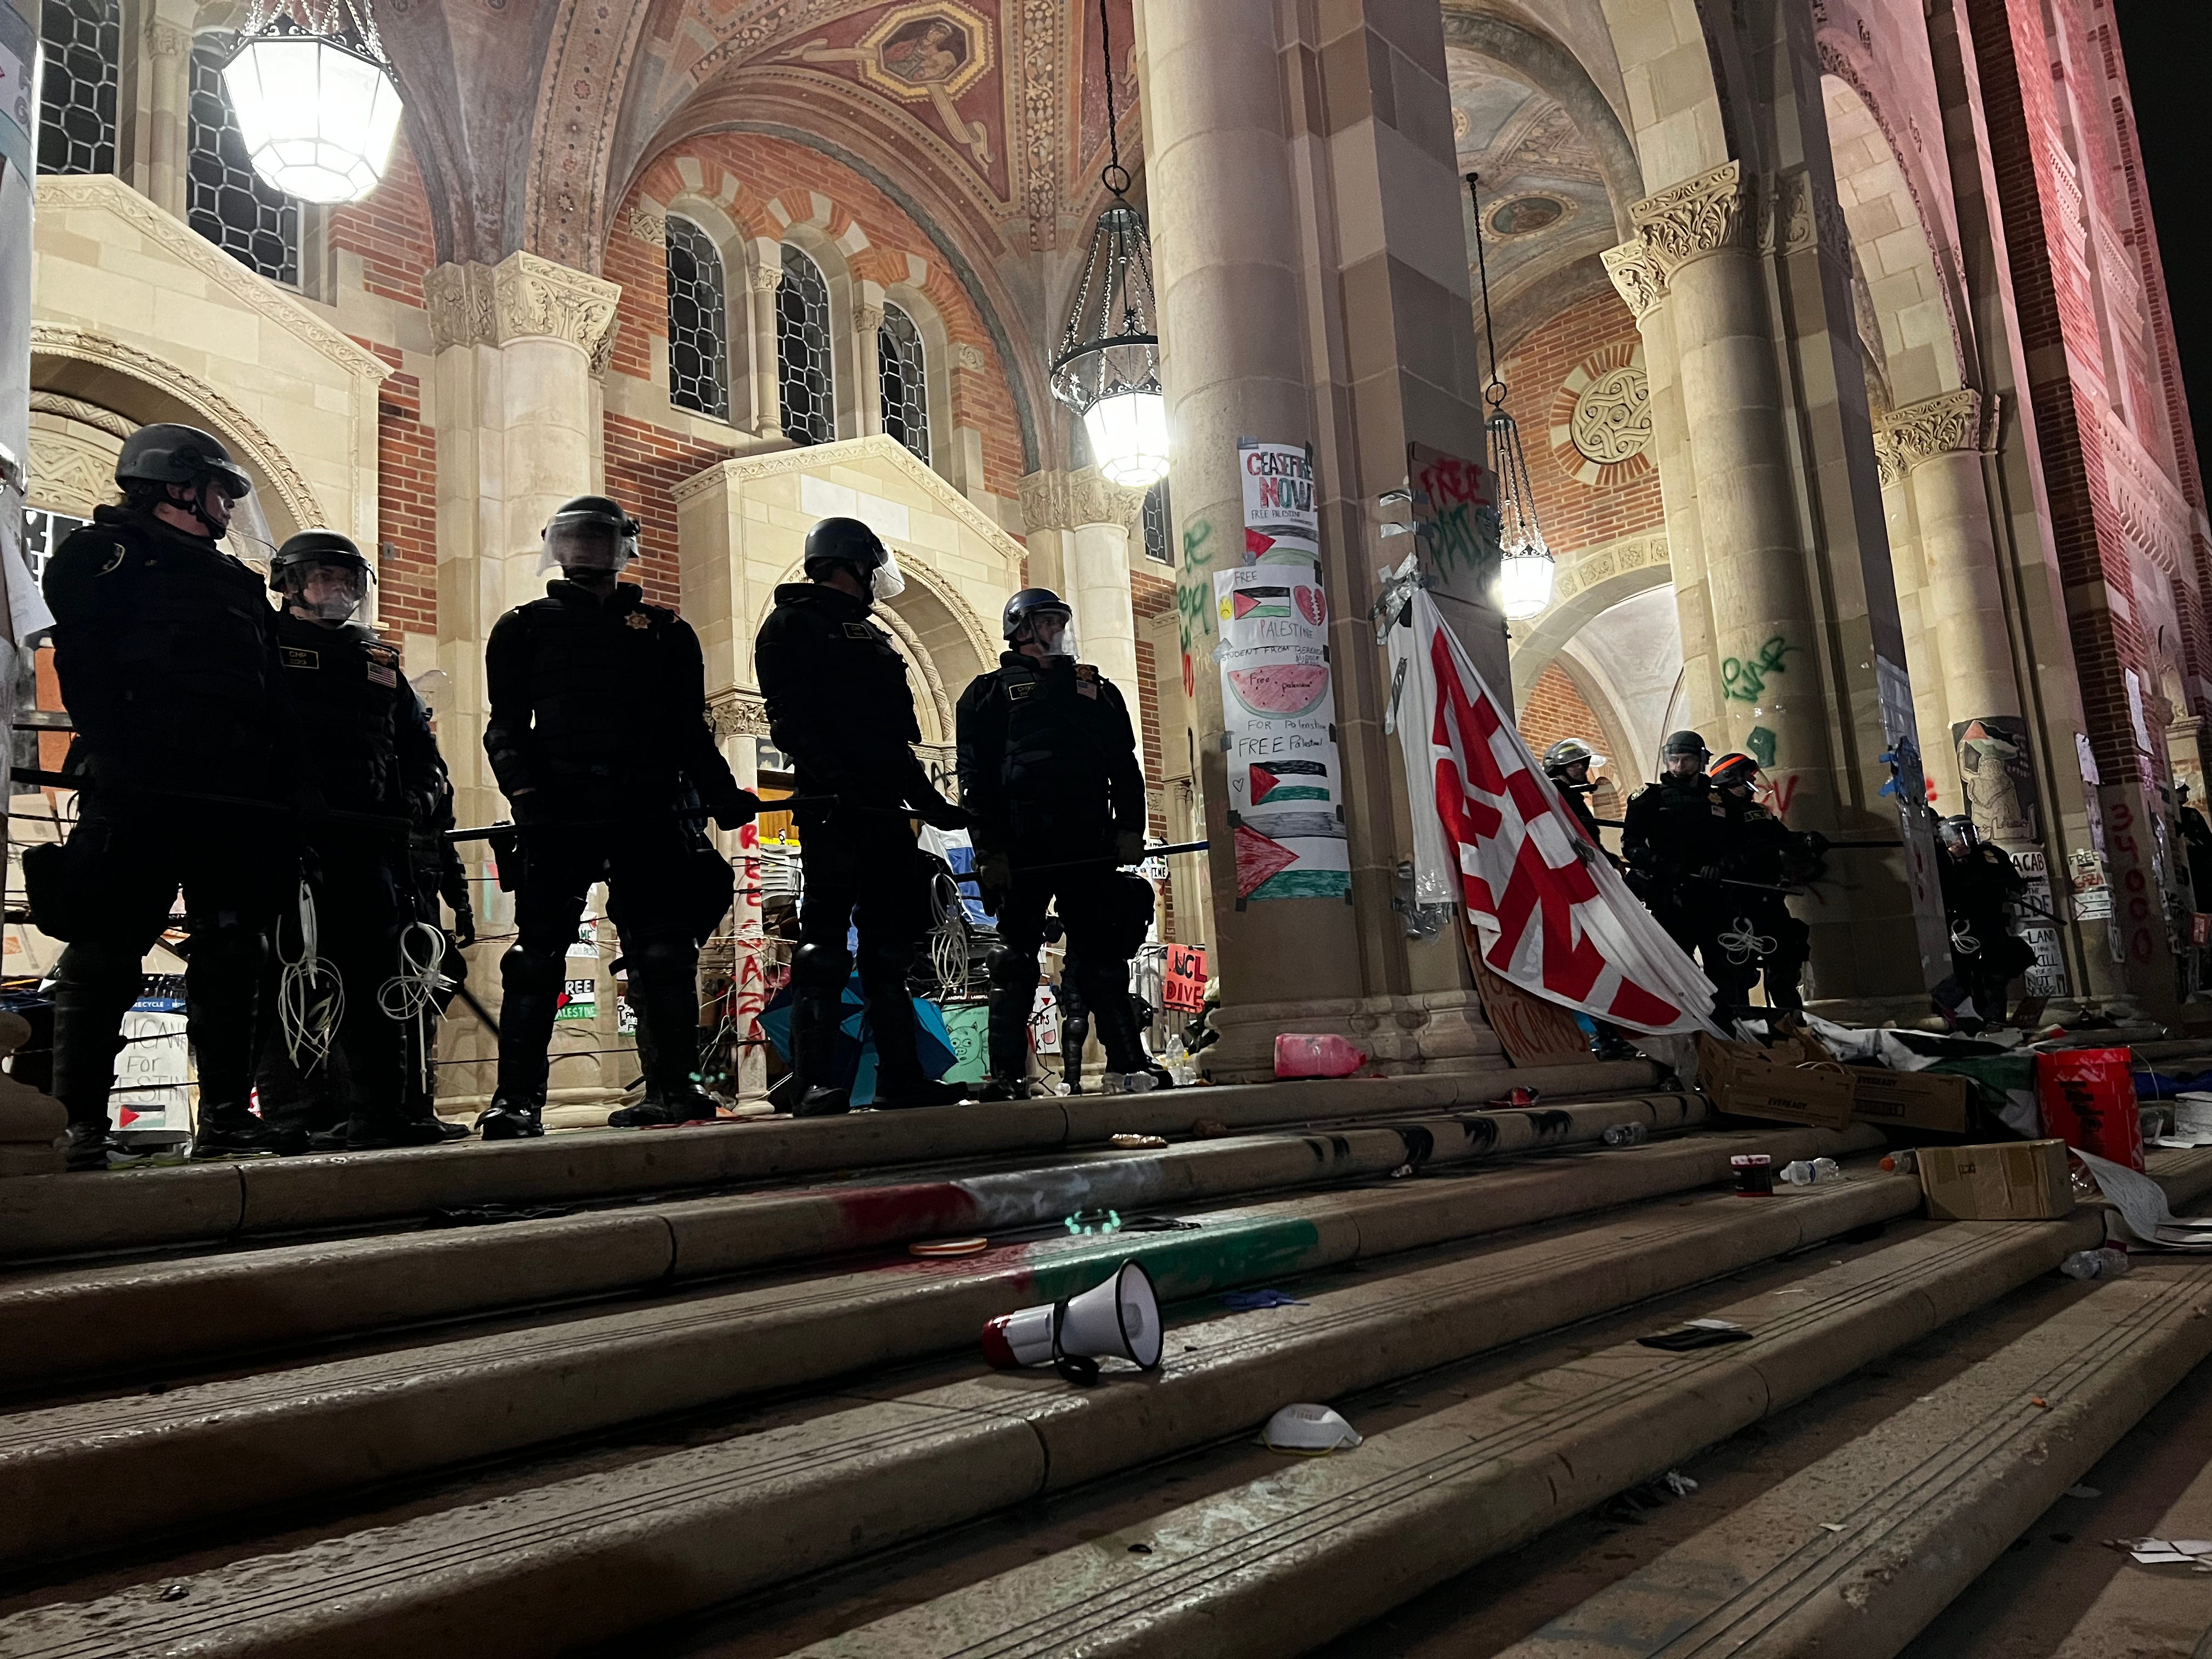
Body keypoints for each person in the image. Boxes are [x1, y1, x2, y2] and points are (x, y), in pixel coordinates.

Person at [36, 424, 302, 1170]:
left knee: (235, 952)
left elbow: (270, 693)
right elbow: (84, 665)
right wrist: (118, 754)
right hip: (141, 786)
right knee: (106, 949)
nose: (228, 507)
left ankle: (226, 1118)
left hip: (231, 797)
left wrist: (291, 784)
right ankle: (80, 1125)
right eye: (220, 491)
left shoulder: (236, 583)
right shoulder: (105, 555)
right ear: (179, 486)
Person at [477, 496, 759, 1139]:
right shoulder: (523, 628)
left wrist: (721, 794)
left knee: (664, 955)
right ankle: (516, 1100)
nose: (586, 551)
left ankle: (675, 1088)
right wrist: (526, 798)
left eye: (598, 539)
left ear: (623, 547)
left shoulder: (666, 632)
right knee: (535, 959)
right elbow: (506, 728)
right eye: (576, 539)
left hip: (648, 812)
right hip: (559, 813)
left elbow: (689, 731)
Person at [754, 516, 970, 1115]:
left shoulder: (873, 636)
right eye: (871, 569)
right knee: (823, 946)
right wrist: (841, 787)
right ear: (852, 564)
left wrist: (933, 806)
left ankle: (901, 1077)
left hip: (882, 811)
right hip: (833, 809)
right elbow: (791, 724)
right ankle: (812, 1081)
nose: (876, 580)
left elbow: (895, 743)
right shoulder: (791, 625)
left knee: (889, 950)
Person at [257, 530, 463, 1149]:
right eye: (327, 577)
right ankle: (293, 1117)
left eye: (349, 580)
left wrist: (416, 802)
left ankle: (381, 1112)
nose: (340, 590)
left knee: (379, 978)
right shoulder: (263, 645)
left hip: (372, 843)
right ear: (292, 584)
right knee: (287, 977)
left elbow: (421, 752)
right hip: (287, 840)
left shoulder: (379, 663)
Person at [957, 588, 1155, 1100]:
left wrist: (1131, 828)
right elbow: (975, 781)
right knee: (1013, 959)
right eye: (1047, 621)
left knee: (1102, 958)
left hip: (1088, 840)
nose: (1058, 630)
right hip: (1021, 844)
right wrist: (989, 851)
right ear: (1021, 630)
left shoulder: (1098, 691)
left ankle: (1127, 1063)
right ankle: (1006, 1075)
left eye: (1061, 621)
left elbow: (1125, 768)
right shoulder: (986, 695)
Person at [1705, 751, 1820, 1017]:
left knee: (1785, 961)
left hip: (1769, 900)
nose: (1754, 782)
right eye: (1749, 776)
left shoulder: (1759, 813)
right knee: (1736, 970)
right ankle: (1742, 1026)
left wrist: (1805, 841)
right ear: (1733, 778)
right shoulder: (1715, 813)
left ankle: (1793, 1022)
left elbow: (1781, 838)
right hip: (1736, 904)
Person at [1936, 815, 2030, 1029]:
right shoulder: (1945, 858)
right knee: (1963, 976)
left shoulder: (1992, 854)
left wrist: (2013, 890)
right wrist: (1953, 860)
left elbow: (2015, 882)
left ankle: (1995, 1020)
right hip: (1961, 926)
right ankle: (1969, 1021)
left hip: (1992, 922)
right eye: (1961, 833)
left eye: (1970, 831)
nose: (1967, 837)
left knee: (1996, 975)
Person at [1542, 737, 1612, 853]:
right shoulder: (1557, 794)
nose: (1581, 768)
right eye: (1574, 765)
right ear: (1559, 770)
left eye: (1582, 764)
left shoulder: (1570, 795)